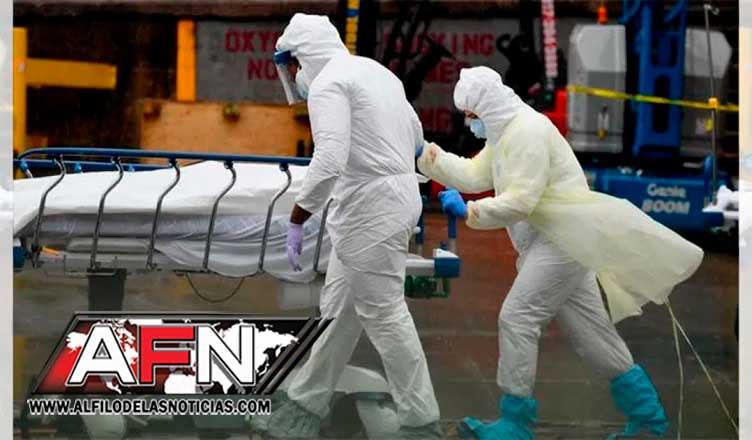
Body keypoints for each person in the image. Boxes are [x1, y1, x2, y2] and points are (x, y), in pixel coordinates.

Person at [418, 66, 704, 440]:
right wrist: (427, 155)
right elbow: (474, 173)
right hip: (561, 243)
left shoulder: (528, 131)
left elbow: (521, 201)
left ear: (488, 108)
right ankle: (647, 420)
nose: (470, 124)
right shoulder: (505, 133)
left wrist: (470, 211)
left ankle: (515, 422)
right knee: (594, 335)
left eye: (473, 116)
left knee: (517, 317)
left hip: (560, 244)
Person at [253, 13, 443, 439]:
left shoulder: (328, 84)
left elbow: (329, 159)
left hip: (370, 210)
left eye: (293, 66)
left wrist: (298, 217)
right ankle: (302, 407)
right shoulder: (377, 73)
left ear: (304, 55)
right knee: (338, 313)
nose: (295, 77)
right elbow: (415, 139)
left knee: (385, 314)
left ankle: (421, 422)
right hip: (391, 200)